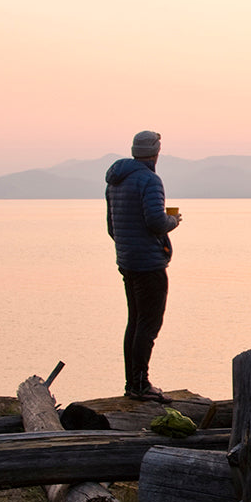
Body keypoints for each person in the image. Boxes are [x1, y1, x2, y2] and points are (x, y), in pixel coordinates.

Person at [106, 130, 180, 402]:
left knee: (135, 323)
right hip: (149, 264)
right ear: (156, 152)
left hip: (127, 262)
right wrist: (173, 222)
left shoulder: (115, 181)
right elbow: (156, 222)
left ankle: (132, 384)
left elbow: (112, 227)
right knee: (148, 325)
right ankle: (140, 385)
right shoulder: (150, 180)